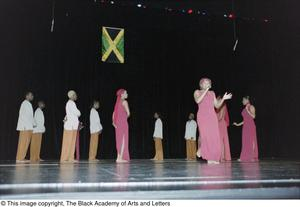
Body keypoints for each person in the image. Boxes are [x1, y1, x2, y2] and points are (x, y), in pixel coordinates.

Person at [194, 78, 232, 164]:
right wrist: (205, 91)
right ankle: (203, 150)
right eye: (205, 83)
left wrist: (223, 99)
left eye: (208, 83)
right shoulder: (197, 92)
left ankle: (212, 158)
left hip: (212, 117)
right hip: (202, 117)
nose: (207, 84)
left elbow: (217, 106)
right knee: (205, 136)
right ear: (201, 84)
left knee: (214, 137)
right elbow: (198, 100)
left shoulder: (212, 93)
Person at [233, 96, 258, 162]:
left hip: (251, 126)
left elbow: (253, 116)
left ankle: (252, 156)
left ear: (247, 100)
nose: (242, 101)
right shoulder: (244, 109)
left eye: (243, 100)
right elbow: (245, 120)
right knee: (245, 141)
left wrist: (248, 110)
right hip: (245, 126)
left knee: (252, 140)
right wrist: (238, 124)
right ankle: (244, 157)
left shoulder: (251, 107)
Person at [60, 90, 81, 163]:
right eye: (75, 95)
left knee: (72, 143)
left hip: (73, 126)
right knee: (68, 142)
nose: (76, 96)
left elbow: (68, 115)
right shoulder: (70, 103)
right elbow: (78, 113)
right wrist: (79, 112)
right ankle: (64, 158)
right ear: (72, 96)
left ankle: (70, 158)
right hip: (70, 126)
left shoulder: (71, 103)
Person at [16, 92, 35, 163]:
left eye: (32, 95)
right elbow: (23, 116)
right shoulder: (24, 103)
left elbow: (30, 116)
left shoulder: (28, 104)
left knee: (26, 143)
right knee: (23, 142)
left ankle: (22, 157)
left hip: (28, 126)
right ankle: (19, 158)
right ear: (27, 96)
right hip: (25, 126)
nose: (32, 96)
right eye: (31, 95)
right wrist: (24, 126)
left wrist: (33, 124)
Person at [112, 89, 130, 163]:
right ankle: (120, 158)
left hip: (118, 123)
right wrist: (125, 116)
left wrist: (113, 122)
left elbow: (113, 114)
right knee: (123, 140)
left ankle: (118, 157)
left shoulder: (117, 103)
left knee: (119, 139)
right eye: (126, 93)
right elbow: (128, 113)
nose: (127, 94)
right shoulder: (124, 102)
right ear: (122, 94)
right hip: (123, 123)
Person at [216, 96, 231, 161]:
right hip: (223, 124)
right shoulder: (223, 106)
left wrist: (214, 122)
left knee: (220, 140)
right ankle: (226, 157)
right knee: (225, 140)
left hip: (220, 123)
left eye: (217, 99)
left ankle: (221, 157)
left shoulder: (222, 106)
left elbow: (221, 117)